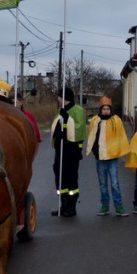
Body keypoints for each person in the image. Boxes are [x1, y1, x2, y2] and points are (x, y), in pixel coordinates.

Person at [86, 95, 130, 216]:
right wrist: (95, 150)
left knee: (115, 183)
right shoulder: (96, 121)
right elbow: (92, 137)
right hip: (100, 158)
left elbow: (120, 137)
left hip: (112, 158)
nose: (106, 111)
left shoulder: (116, 121)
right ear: (101, 110)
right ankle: (105, 205)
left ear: (111, 109)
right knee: (102, 183)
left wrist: (118, 151)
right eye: (104, 109)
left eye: (108, 109)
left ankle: (118, 205)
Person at [49, 87, 86, 217]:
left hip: (72, 151)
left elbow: (79, 129)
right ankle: (63, 204)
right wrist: (58, 133)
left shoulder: (78, 111)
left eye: (59, 96)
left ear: (65, 98)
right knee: (60, 177)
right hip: (60, 149)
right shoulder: (60, 111)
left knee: (71, 178)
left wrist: (67, 122)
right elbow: (55, 127)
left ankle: (71, 206)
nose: (57, 98)